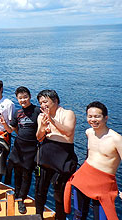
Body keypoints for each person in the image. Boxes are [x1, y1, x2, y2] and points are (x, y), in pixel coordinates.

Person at [64, 101, 122, 220]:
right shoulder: (89, 132)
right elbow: (90, 154)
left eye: (97, 116)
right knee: (78, 215)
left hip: (103, 185)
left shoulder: (116, 139)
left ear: (106, 118)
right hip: (83, 179)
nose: (93, 119)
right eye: (90, 116)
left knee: (102, 217)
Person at [35, 89, 77, 220]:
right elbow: (39, 137)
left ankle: (60, 218)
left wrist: (52, 121)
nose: (43, 105)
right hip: (45, 156)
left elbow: (68, 132)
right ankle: (38, 216)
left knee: (60, 194)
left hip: (63, 158)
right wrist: (42, 126)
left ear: (55, 100)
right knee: (40, 191)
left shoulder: (68, 114)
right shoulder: (41, 116)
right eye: (41, 102)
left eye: (45, 101)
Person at [7, 86, 40, 214]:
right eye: (20, 98)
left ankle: (21, 200)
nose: (23, 100)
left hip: (31, 148)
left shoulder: (37, 111)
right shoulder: (18, 112)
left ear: (30, 97)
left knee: (27, 175)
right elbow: (13, 128)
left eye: (25, 97)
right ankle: (16, 194)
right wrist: (4, 124)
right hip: (18, 147)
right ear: (17, 99)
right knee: (17, 173)